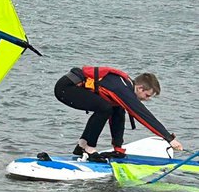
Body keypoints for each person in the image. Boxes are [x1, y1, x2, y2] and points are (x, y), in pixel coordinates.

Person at [53, 66, 183, 160]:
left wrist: (118, 149)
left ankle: (82, 146)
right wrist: (168, 138)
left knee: (109, 108)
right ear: (140, 88)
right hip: (66, 88)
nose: (147, 99)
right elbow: (143, 115)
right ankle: (89, 148)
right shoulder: (123, 90)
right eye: (147, 95)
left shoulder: (123, 90)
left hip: (70, 88)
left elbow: (118, 118)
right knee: (104, 108)